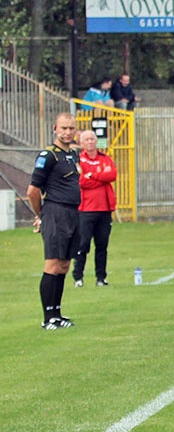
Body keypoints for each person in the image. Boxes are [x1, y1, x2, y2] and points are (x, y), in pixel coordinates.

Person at [26, 112, 81, 330]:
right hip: (56, 212)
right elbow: (32, 191)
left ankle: (57, 313)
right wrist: (40, 215)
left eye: (71, 128)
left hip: (72, 213)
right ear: (54, 129)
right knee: (52, 264)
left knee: (65, 265)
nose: (67, 132)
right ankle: (47, 317)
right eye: (63, 128)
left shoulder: (72, 155)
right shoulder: (48, 155)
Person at [73, 130, 117, 288]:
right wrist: (99, 177)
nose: (90, 142)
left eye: (92, 139)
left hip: (105, 208)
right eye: (87, 139)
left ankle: (101, 277)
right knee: (83, 244)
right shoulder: (79, 160)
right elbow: (81, 182)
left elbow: (112, 175)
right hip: (86, 209)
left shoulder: (105, 158)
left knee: (102, 245)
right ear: (81, 143)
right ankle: (78, 277)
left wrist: (92, 175)